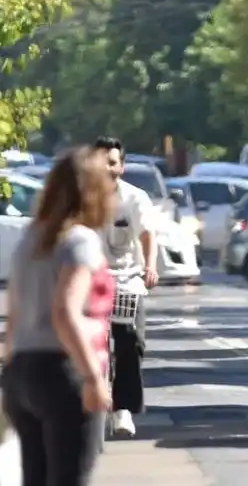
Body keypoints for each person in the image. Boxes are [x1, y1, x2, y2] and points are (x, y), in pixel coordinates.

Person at [2, 146, 116, 486]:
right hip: (62, 372)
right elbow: (65, 311)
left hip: (22, 371)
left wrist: (9, 370)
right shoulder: (80, 241)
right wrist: (94, 378)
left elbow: (14, 313)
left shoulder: (31, 239)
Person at [95, 136, 160, 438]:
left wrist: (150, 266)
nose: (105, 168)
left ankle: (122, 408)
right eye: (99, 162)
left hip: (126, 280)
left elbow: (147, 233)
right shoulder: (77, 198)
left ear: (121, 166)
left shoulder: (135, 198)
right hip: (87, 282)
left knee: (130, 341)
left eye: (111, 162)